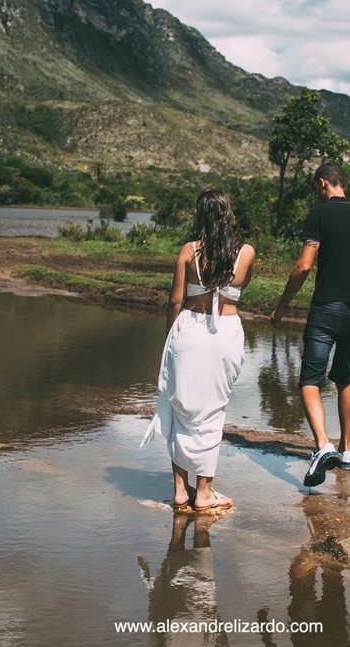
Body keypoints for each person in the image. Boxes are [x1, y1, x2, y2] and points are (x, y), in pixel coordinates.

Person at [271, 161, 350, 488]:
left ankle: (323, 445)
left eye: (317, 188)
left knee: (309, 380)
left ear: (324, 183)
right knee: (343, 377)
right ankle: (347, 450)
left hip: (325, 309)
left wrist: (282, 305)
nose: (318, 193)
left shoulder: (319, 215)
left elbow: (303, 266)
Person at [142, 189, 255, 513]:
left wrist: (170, 337)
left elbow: (175, 301)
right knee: (212, 411)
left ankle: (180, 489)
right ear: (228, 214)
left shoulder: (188, 251)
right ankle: (204, 491)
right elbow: (238, 289)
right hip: (225, 334)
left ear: (201, 216)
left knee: (179, 406)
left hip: (188, 330)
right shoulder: (246, 252)